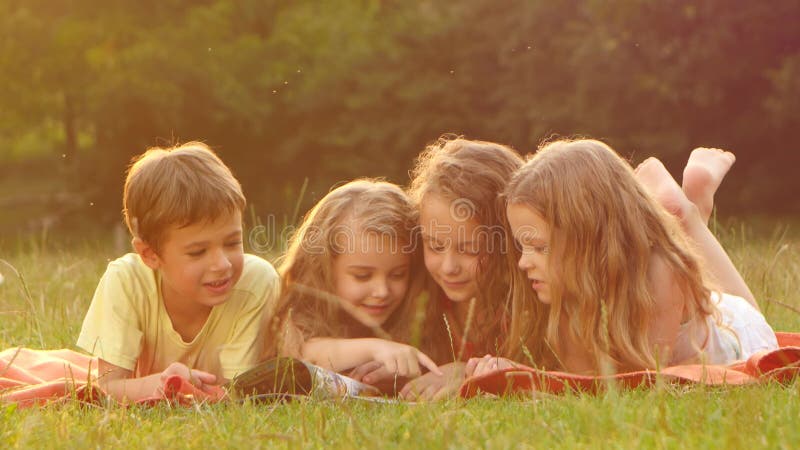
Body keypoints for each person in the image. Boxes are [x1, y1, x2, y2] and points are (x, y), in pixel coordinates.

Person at [468, 139, 777, 376]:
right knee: (689, 267)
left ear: (587, 238)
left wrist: (530, 378)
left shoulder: (661, 273)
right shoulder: (564, 292)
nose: (523, 263)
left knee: (749, 311)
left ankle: (689, 216)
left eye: (539, 247)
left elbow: (641, 379)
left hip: (732, 335)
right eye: (523, 247)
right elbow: (577, 377)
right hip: (682, 308)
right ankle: (680, 209)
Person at [77, 142, 281, 402]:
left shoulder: (256, 284)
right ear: (150, 254)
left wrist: (188, 386)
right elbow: (108, 388)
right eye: (198, 252)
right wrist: (167, 382)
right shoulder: (126, 281)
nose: (222, 264)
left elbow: (240, 396)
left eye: (232, 243)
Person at [387, 136, 544, 400]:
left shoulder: (532, 305)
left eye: (470, 250)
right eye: (435, 246)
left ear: (509, 243)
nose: (448, 268)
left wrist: (467, 371)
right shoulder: (417, 295)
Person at [275, 179, 441, 382]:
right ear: (323, 269)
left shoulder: (424, 312)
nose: (382, 291)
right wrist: (375, 349)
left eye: (398, 275)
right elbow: (297, 355)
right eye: (362, 276)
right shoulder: (301, 307)